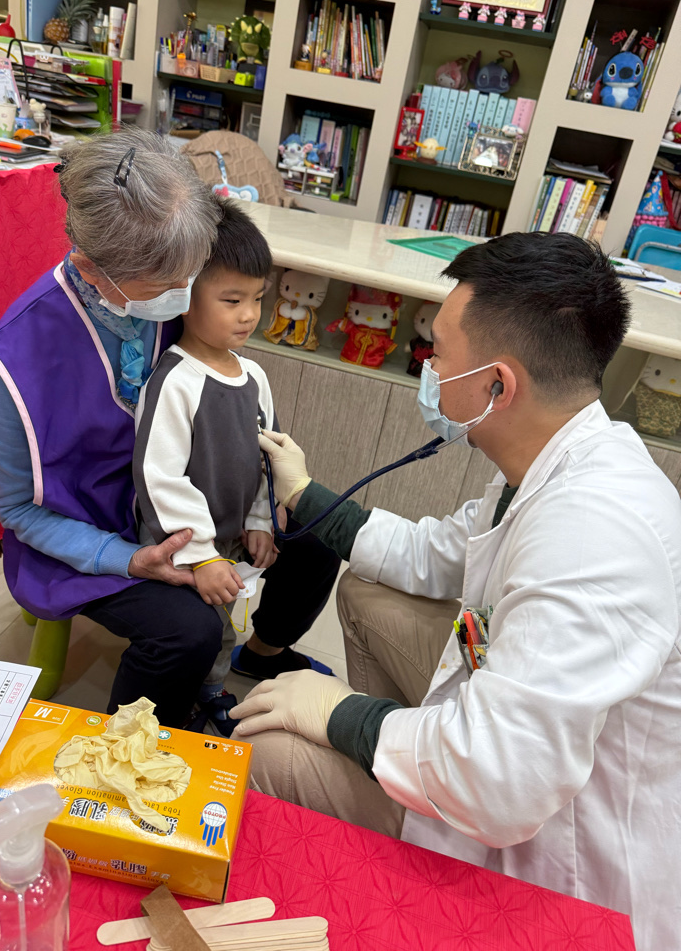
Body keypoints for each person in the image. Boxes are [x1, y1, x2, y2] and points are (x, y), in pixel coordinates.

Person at [230, 231, 681, 951]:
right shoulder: (554, 457)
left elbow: (503, 780)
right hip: (510, 744)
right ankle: (404, 769)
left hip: (545, 846)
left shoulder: (592, 533)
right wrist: (306, 493)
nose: (427, 366)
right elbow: (431, 554)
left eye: (437, 352)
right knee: (370, 595)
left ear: (498, 385)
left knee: (269, 751)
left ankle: (383, 878)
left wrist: (341, 714)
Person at [0, 128, 340, 729]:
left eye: (192, 278)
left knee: (318, 534)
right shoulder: (16, 360)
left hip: (193, 502)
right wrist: (129, 559)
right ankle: (134, 747)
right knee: (188, 630)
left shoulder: (168, 290)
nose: (184, 297)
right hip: (96, 533)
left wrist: (265, 499)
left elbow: (226, 402)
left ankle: (262, 651)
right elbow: (19, 511)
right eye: (169, 286)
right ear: (93, 271)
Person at [133, 198, 328, 736]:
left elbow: (267, 458)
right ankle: (193, 700)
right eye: (232, 300)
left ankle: (221, 681)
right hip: (180, 543)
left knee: (232, 619)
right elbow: (159, 478)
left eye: (258, 299)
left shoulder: (254, 376)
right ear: (184, 297)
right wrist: (199, 555)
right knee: (208, 628)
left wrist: (261, 521)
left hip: (232, 534)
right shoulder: (175, 382)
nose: (249, 315)